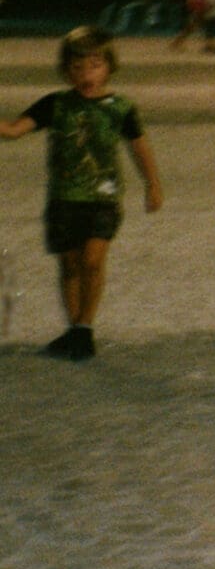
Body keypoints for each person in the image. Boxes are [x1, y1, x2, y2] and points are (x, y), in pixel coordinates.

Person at [0, 26, 163, 361]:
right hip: (64, 199)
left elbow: (139, 148)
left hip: (103, 198)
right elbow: (15, 130)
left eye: (95, 65)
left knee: (92, 260)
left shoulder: (121, 108)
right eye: (77, 67)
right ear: (66, 70)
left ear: (109, 66)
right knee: (70, 266)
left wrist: (152, 184)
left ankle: (86, 327)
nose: (86, 74)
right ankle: (74, 330)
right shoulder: (56, 104)